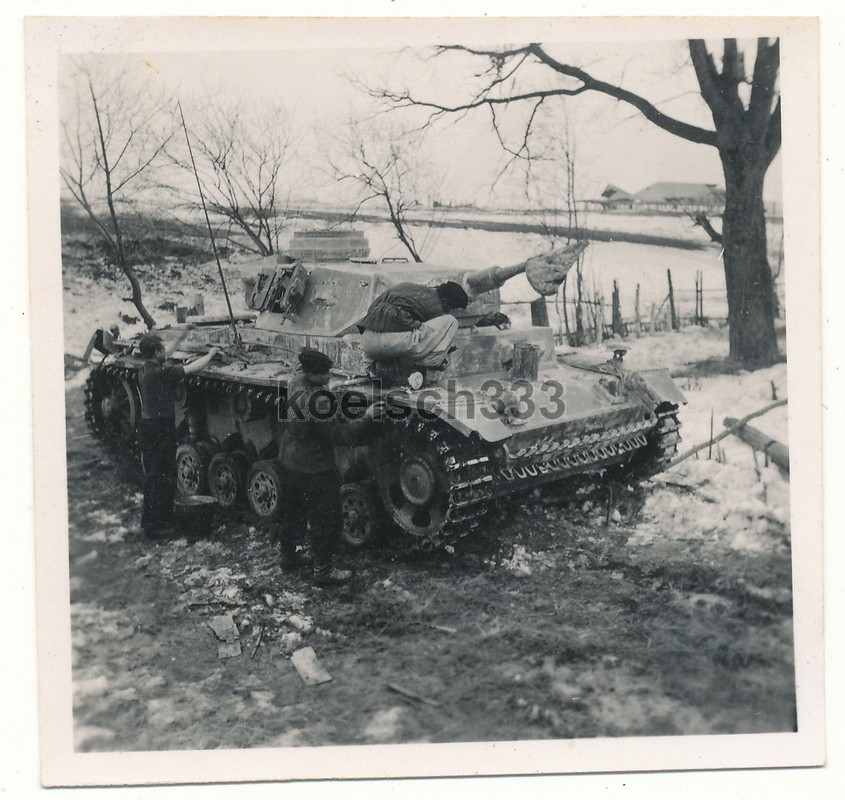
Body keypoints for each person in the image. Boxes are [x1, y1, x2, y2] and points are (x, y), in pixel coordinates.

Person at [277, 349, 384, 586]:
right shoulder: (318, 401)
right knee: (326, 518)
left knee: (293, 512)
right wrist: (367, 415)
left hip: (290, 459)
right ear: (312, 374)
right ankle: (323, 571)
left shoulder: (296, 382)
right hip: (314, 467)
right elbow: (342, 435)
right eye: (325, 374)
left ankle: (288, 557)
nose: (329, 376)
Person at [136, 333, 218, 538]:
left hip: (149, 427)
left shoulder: (146, 367)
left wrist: (183, 334)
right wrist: (212, 353)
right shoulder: (162, 373)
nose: (166, 351)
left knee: (156, 475)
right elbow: (193, 368)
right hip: (159, 429)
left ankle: (156, 520)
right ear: (157, 353)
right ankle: (156, 526)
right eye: (162, 349)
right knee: (162, 476)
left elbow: (168, 355)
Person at [357, 281, 469, 376]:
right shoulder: (437, 306)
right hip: (392, 343)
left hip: (367, 343)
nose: (447, 311)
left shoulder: (410, 288)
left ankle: (384, 366)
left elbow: (371, 309)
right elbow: (426, 333)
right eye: (450, 308)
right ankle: (427, 364)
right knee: (451, 321)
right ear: (445, 300)